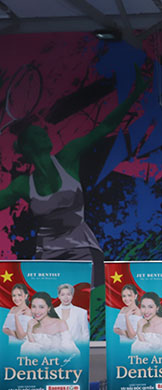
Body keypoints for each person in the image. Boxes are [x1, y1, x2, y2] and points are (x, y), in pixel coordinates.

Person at [0, 65, 150, 286]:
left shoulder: (68, 157)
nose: (45, 133)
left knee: (91, 303)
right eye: (39, 133)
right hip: (49, 258)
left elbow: (105, 126)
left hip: (83, 251)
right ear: (27, 147)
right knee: (48, 307)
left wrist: (135, 94)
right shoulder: (23, 185)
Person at [20, 291, 78, 357]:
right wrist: (29, 331)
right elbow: (28, 352)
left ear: (49, 308)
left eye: (41, 307)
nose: (36, 311)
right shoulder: (32, 325)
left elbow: (70, 351)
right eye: (33, 306)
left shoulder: (60, 324)